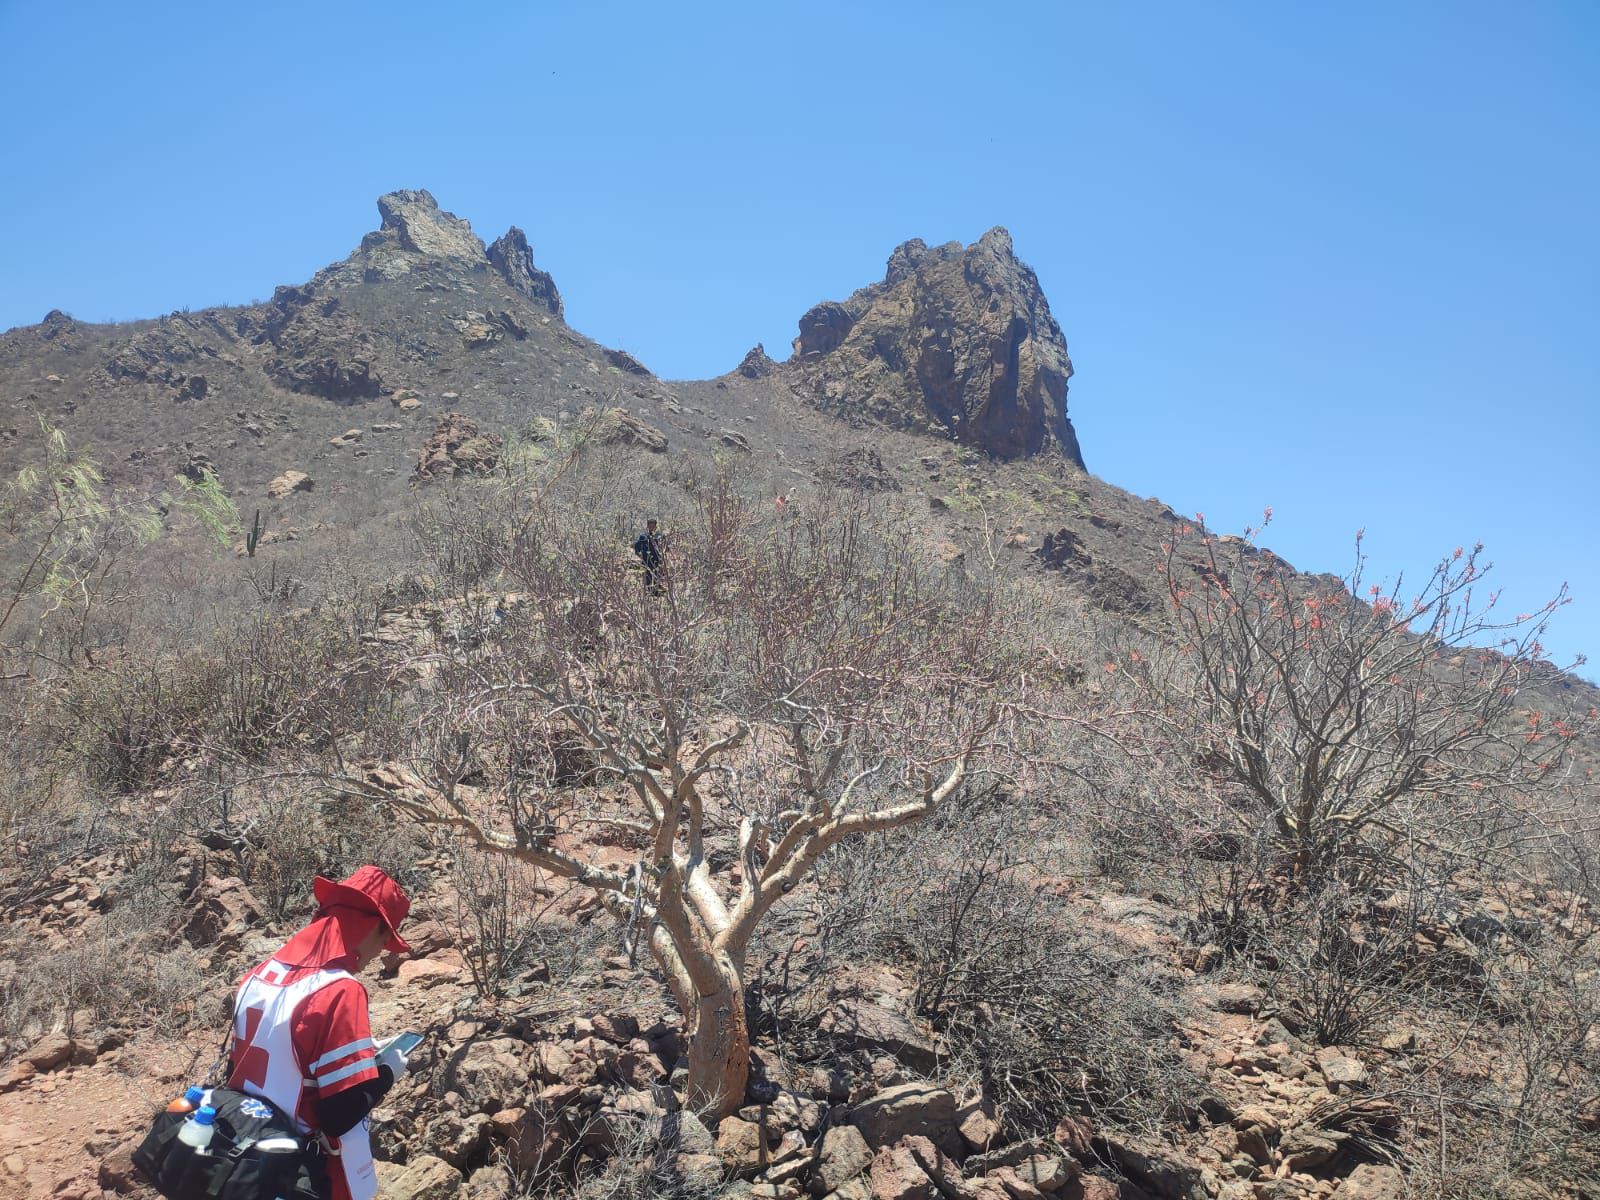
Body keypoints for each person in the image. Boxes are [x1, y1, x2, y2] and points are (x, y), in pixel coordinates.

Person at [224, 867, 413, 1200]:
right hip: (299, 1173)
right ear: (374, 926)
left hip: (242, 1157)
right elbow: (337, 1117)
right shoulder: (341, 989)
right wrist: (386, 1073)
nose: (383, 949)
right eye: (387, 937)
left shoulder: (258, 974)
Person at [633, 518, 668, 595]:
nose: (652, 528)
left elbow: (666, 549)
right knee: (648, 579)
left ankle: (658, 593)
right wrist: (641, 558)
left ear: (656, 526)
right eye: (650, 526)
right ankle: (652, 594)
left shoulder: (660, 537)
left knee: (658, 577)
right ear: (647, 526)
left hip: (657, 562)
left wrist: (662, 559)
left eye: (653, 526)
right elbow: (636, 548)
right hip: (647, 562)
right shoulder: (643, 537)